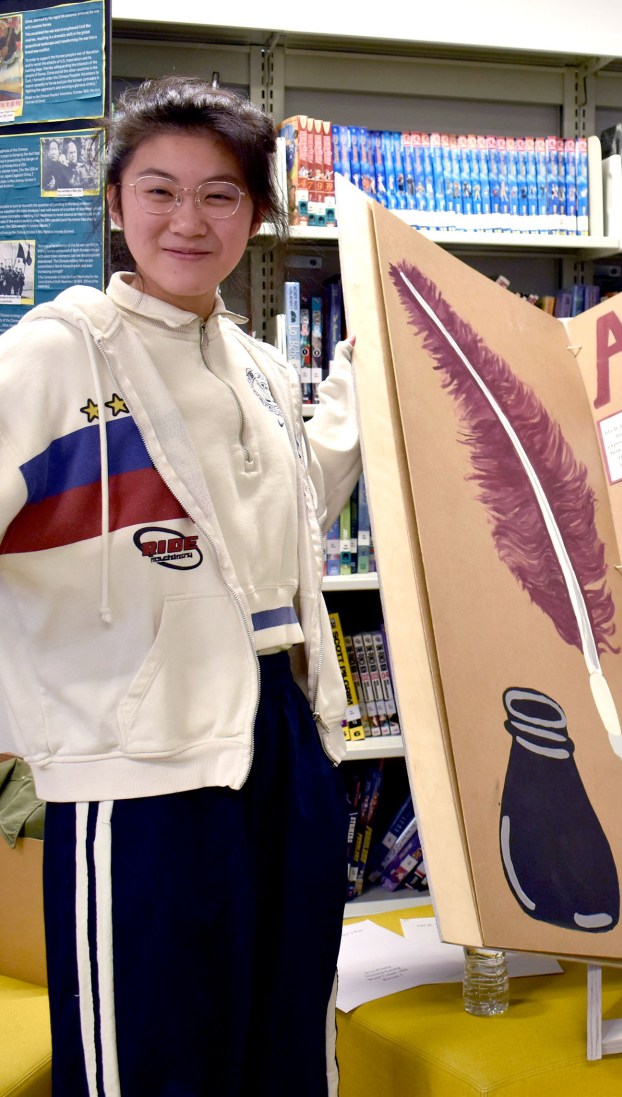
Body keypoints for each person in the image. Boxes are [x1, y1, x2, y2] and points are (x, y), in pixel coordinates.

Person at [0, 75, 360, 1096]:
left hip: (281, 736)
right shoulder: (53, 354)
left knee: (281, 1033)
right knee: (152, 1060)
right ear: (115, 203)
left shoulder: (254, 363)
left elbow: (281, 521)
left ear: (255, 213)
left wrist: (364, 379)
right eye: (159, 190)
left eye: (221, 194)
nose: (188, 220)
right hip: (137, 765)